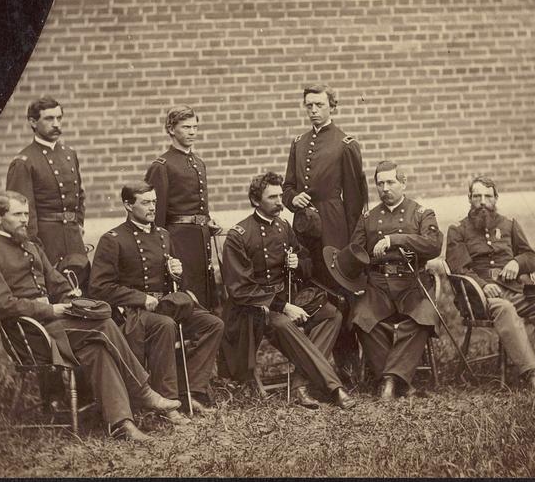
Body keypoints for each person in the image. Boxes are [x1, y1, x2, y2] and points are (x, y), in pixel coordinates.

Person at [0, 191, 181, 442]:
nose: (24, 220)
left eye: (26, 214)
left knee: (98, 345)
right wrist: (51, 310)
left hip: (56, 326)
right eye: (17, 214)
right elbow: (0, 305)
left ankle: (122, 424)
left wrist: (69, 296)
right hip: (30, 335)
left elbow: (55, 281)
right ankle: (143, 391)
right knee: (103, 324)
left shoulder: (32, 246)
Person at [220, 172, 356, 409]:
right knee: (284, 323)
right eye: (272, 197)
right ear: (255, 201)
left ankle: (301, 383)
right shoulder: (239, 236)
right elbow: (240, 290)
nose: (279, 201)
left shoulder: (284, 227)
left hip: (286, 299)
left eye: (281, 195)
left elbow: (306, 261)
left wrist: (297, 263)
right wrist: (283, 307)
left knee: (331, 314)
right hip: (253, 310)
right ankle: (334, 388)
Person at [89, 183, 225, 419]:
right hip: (134, 313)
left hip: (166, 305)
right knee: (165, 325)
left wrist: (176, 274)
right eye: (145, 202)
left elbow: (174, 284)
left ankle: (189, 391)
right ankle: (169, 403)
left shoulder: (164, 235)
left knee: (213, 324)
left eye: (154, 202)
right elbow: (99, 288)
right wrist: (141, 298)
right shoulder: (113, 239)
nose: (152, 207)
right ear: (128, 205)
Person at [445, 176, 535, 391]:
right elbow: (458, 268)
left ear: (496, 198)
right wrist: (481, 285)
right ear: (469, 199)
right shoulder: (458, 230)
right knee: (505, 308)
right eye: (477, 196)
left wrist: (517, 263)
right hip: (481, 299)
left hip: (516, 292)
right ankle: (532, 376)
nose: (482, 201)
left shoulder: (509, 225)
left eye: (488, 196)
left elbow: (531, 258)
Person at [336, 160, 443, 400]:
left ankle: (389, 380)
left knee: (424, 317)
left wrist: (396, 240)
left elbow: (433, 245)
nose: (385, 188)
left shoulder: (421, 213)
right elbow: (355, 252)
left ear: (403, 183)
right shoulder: (368, 218)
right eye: (380, 183)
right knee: (361, 318)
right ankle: (399, 382)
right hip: (379, 286)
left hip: (412, 285)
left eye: (390, 182)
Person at [282, 84, 368, 380]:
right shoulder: (299, 142)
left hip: (334, 228)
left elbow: (357, 202)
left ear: (332, 105)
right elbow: (287, 187)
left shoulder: (345, 143)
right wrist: (293, 199)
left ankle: (347, 365)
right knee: (308, 288)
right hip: (304, 230)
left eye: (319, 104)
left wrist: (353, 242)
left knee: (339, 294)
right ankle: (311, 362)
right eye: (309, 105)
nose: (313, 110)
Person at [145, 106, 221, 310]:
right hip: (178, 241)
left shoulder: (198, 163)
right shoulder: (162, 165)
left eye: (195, 127)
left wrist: (208, 221)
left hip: (200, 238)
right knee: (187, 290)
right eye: (186, 127)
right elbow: (155, 215)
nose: (192, 132)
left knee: (205, 291)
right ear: (171, 129)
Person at [6, 96, 88, 281]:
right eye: (49, 119)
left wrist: (79, 225)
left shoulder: (69, 154)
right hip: (45, 242)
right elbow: (22, 213)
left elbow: (79, 196)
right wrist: (34, 248)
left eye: (59, 118)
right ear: (33, 122)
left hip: (73, 240)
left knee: (82, 296)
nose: (56, 124)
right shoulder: (24, 162)